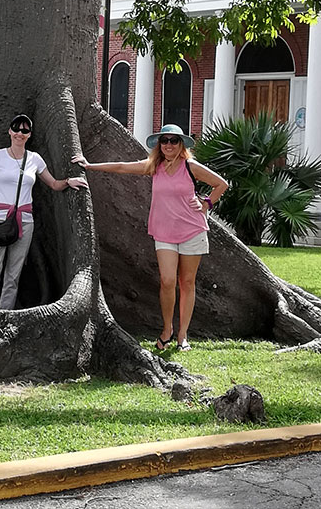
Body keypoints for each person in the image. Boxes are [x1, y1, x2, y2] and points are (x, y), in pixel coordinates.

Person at [73, 123, 228, 351]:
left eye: (173, 141)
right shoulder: (154, 166)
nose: (168, 145)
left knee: (186, 283)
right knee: (167, 281)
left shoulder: (190, 166)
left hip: (193, 230)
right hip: (164, 231)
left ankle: (182, 335)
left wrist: (206, 203)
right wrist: (89, 165)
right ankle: (167, 329)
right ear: (158, 145)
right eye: (164, 141)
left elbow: (221, 184)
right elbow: (122, 167)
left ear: (181, 144)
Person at [0, 114, 88, 309]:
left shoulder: (34, 159)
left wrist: (69, 181)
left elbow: (53, 183)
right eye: (16, 129)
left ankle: (4, 315)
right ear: (10, 131)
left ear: (29, 135)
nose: (20, 133)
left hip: (25, 222)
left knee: (13, 275)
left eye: (25, 130)